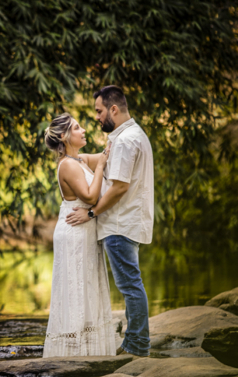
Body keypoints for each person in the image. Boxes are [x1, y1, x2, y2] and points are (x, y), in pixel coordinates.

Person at [66, 85, 154, 358]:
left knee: (130, 286)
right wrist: (73, 158)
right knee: (131, 284)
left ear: (113, 109)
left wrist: (91, 213)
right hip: (123, 223)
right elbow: (103, 162)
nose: (96, 116)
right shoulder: (126, 136)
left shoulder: (127, 141)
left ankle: (137, 346)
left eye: (99, 111)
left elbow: (118, 187)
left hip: (119, 224)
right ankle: (135, 342)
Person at [42, 113, 116, 357]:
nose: (83, 130)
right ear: (64, 137)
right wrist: (102, 168)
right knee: (76, 289)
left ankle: (89, 350)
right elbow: (91, 197)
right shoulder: (68, 165)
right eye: (77, 127)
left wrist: (118, 136)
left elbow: (107, 154)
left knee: (87, 287)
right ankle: (74, 352)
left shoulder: (80, 159)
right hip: (74, 232)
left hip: (85, 229)